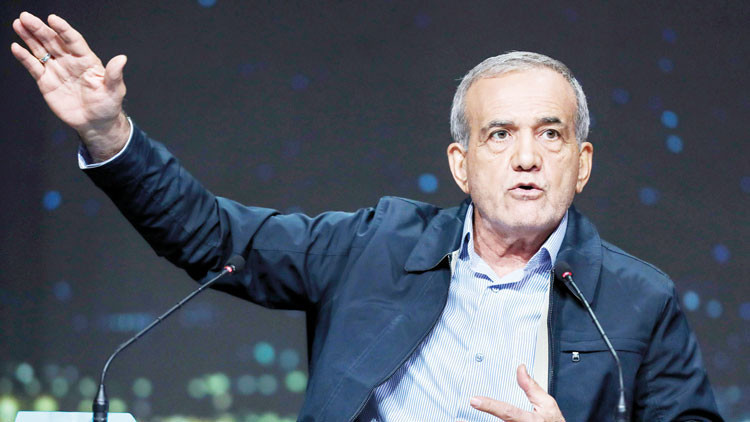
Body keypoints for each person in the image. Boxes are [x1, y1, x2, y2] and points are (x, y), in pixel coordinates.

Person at [11, 11, 722, 422]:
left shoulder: (638, 300)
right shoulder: (373, 247)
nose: (527, 158)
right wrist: (108, 134)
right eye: (500, 135)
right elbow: (213, 236)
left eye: (552, 134)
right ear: (462, 164)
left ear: (583, 162)